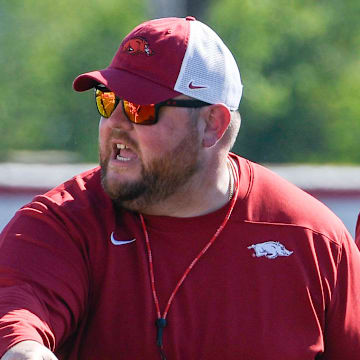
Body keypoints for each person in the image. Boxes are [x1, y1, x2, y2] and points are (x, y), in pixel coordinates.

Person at [1, 16, 360, 360]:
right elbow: (17, 312)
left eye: (140, 107)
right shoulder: (60, 222)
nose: (114, 121)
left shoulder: (312, 238)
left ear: (212, 125)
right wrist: (23, 349)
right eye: (107, 99)